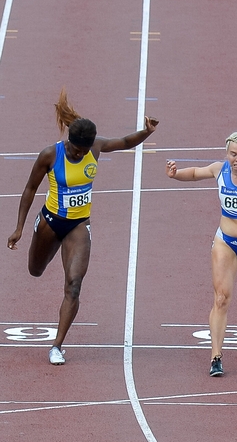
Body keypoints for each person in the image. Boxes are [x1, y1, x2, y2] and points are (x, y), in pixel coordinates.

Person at [6, 89, 159, 365]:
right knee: (35, 270)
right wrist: (19, 227)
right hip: (51, 222)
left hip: (78, 224)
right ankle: (36, 243)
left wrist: (145, 132)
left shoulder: (95, 148)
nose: (80, 154)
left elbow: (124, 142)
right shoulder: (50, 155)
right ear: (68, 142)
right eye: (76, 150)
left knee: (74, 285)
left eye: (84, 150)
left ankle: (57, 346)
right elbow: (30, 189)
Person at [166, 131, 237, 377]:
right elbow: (197, 172)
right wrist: (176, 175)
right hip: (226, 241)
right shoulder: (220, 170)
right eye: (233, 154)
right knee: (221, 298)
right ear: (226, 153)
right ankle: (216, 356)